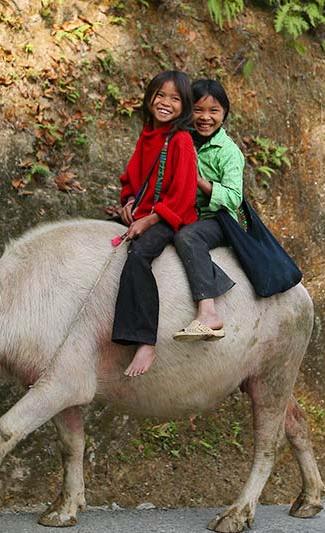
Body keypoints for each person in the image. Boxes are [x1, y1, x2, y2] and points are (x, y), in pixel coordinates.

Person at [111, 70, 198, 376]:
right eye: (160, 95)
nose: (165, 103)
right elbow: (132, 177)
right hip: (144, 210)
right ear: (149, 98)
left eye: (174, 99)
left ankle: (146, 340)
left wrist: (148, 220)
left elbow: (184, 194)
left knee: (139, 256)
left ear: (184, 106)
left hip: (168, 216)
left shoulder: (182, 140)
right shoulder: (148, 135)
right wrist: (130, 201)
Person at [173, 79, 244, 342]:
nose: (205, 117)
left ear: (224, 113)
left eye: (213, 111)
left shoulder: (228, 152)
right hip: (185, 213)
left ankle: (208, 312)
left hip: (218, 220)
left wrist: (200, 182)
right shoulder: (183, 141)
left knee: (188, 237)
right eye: (198, 110)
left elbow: (234, 198)